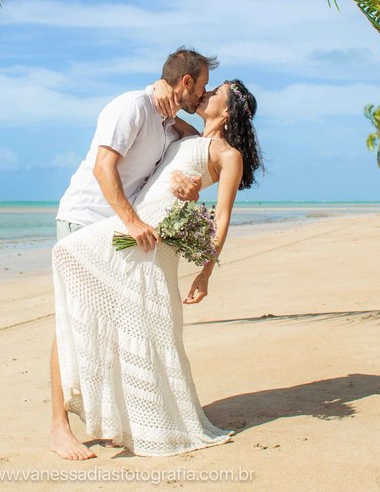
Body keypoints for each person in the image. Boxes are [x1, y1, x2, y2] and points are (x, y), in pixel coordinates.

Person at [51, 79, 263, 458]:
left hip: (153, 239)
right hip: (135, 225)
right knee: (83, 275)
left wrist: (205, 272)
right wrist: (158, 84)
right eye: (206, 86)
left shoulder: (229, 155)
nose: (208, 92)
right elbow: (162, 105)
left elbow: (223, 216)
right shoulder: (189, 132)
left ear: (227, 111)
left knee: (147, 324)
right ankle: (109, 418)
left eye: (216, 93)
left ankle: (143, 419)